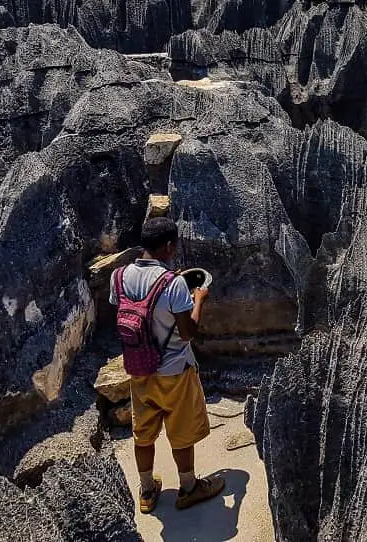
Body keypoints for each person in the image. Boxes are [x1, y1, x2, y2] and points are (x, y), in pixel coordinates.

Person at [109, 216, 225, 513]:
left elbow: (128, 311)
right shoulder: (172, 284)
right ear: (170, 246)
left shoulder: (119, 276)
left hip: (139, 368)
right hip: (174, 371)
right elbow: (188, 332)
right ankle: (189, 488)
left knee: (143, 433)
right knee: (181, 431)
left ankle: (147, 491)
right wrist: (198, 299)